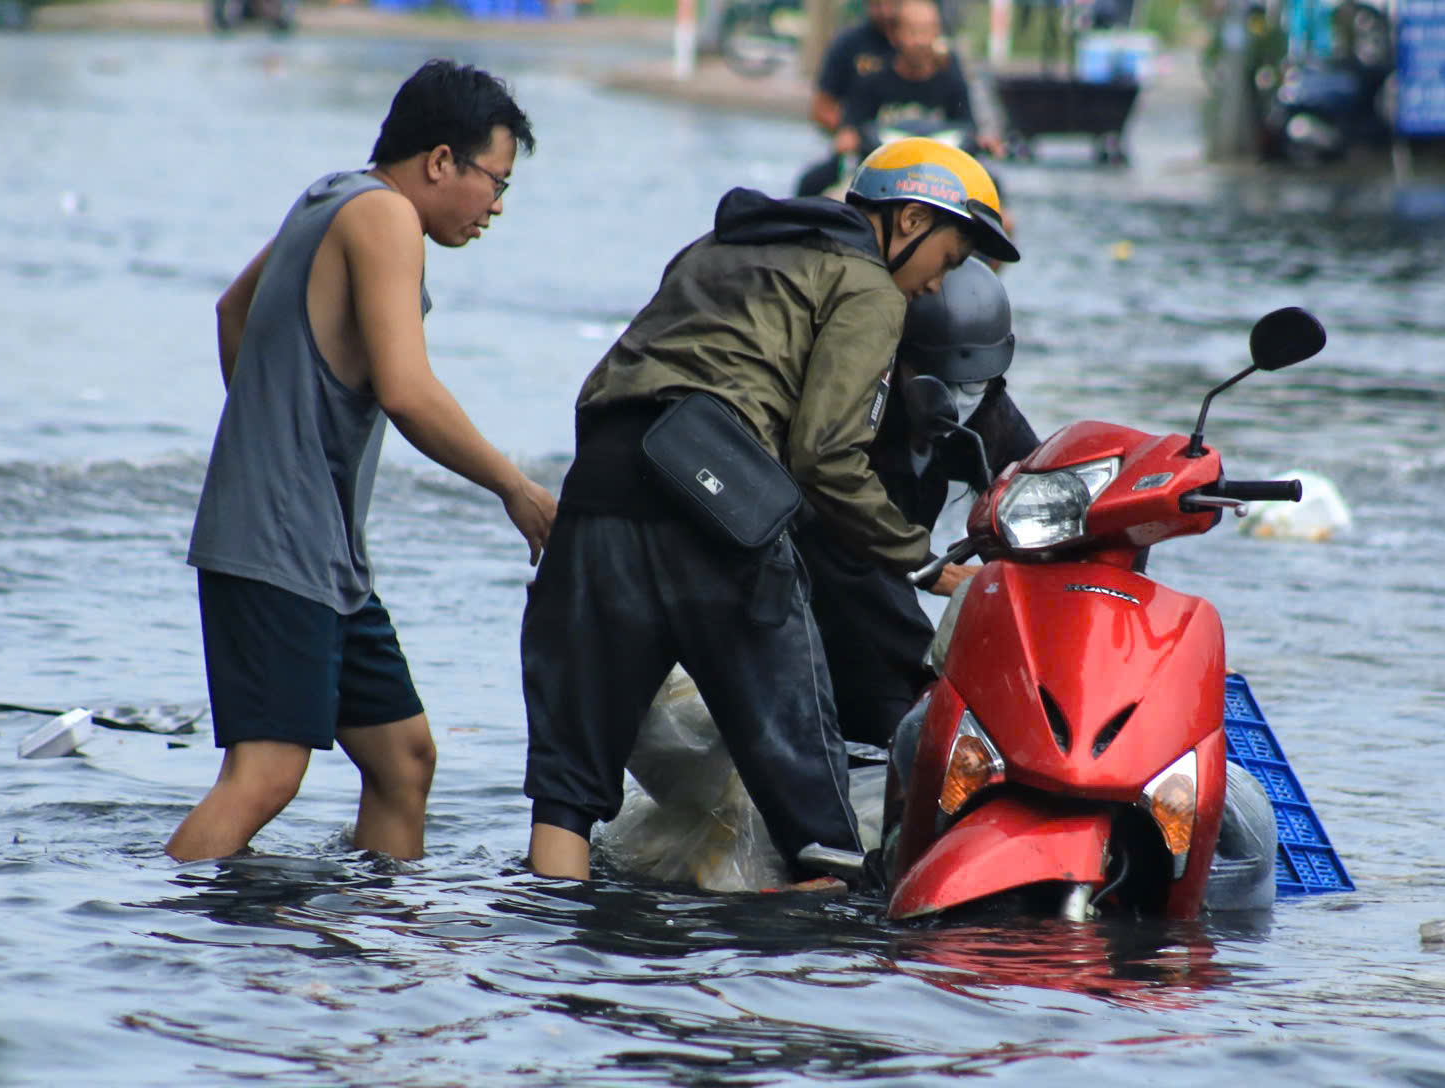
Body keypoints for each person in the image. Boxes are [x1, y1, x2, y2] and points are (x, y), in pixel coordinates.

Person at [520, 138, 1019, 884]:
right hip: (719, 502)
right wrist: (922, 560)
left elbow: (618, 377)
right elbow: (825, 458)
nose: (933, 288)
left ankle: (547, 983)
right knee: (817, 819)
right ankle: (812, 994)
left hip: (598, 492)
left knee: (566, 798)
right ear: (910, 220)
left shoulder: (714, 246)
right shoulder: (867, 285)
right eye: (947, 261)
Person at [167, 60, 558, 863]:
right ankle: (153, 945)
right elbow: (408, 392)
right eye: (496, 181)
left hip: (320, 551)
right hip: (281, 544)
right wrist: (514, 488)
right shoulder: (384, 218)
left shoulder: (329, 194)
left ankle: (371, 948)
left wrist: (275, 429)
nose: (498, 208)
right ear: (441, 161)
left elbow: (232, 309)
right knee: (268, 775)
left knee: (403, 759)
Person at [796, 256, 1039, 748]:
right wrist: (934, 573)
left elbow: (1045, 482)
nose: (960, 399)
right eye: (938, 383)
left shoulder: (990, 415)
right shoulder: (853, 411)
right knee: (903, 693)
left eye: (975, 385)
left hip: (889, 589)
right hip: (824, 585)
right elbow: (839, 523)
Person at [833, 0, 1002, 160]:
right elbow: (850, 129)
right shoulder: (872, 80)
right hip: (883, 169)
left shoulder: (951, 79)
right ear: (894, 34)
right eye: (913, 32)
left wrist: (984, 141)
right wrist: (849, 138)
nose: (920, 41)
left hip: (939, 175)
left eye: (927, 31)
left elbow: (968, 128)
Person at [810, 0, 903, 136]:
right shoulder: (848, 43)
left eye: (892, 3)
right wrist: (850, 134)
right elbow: (822, 107)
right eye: (877, 4)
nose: (885, 11)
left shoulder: (922, 46)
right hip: (862, 138)